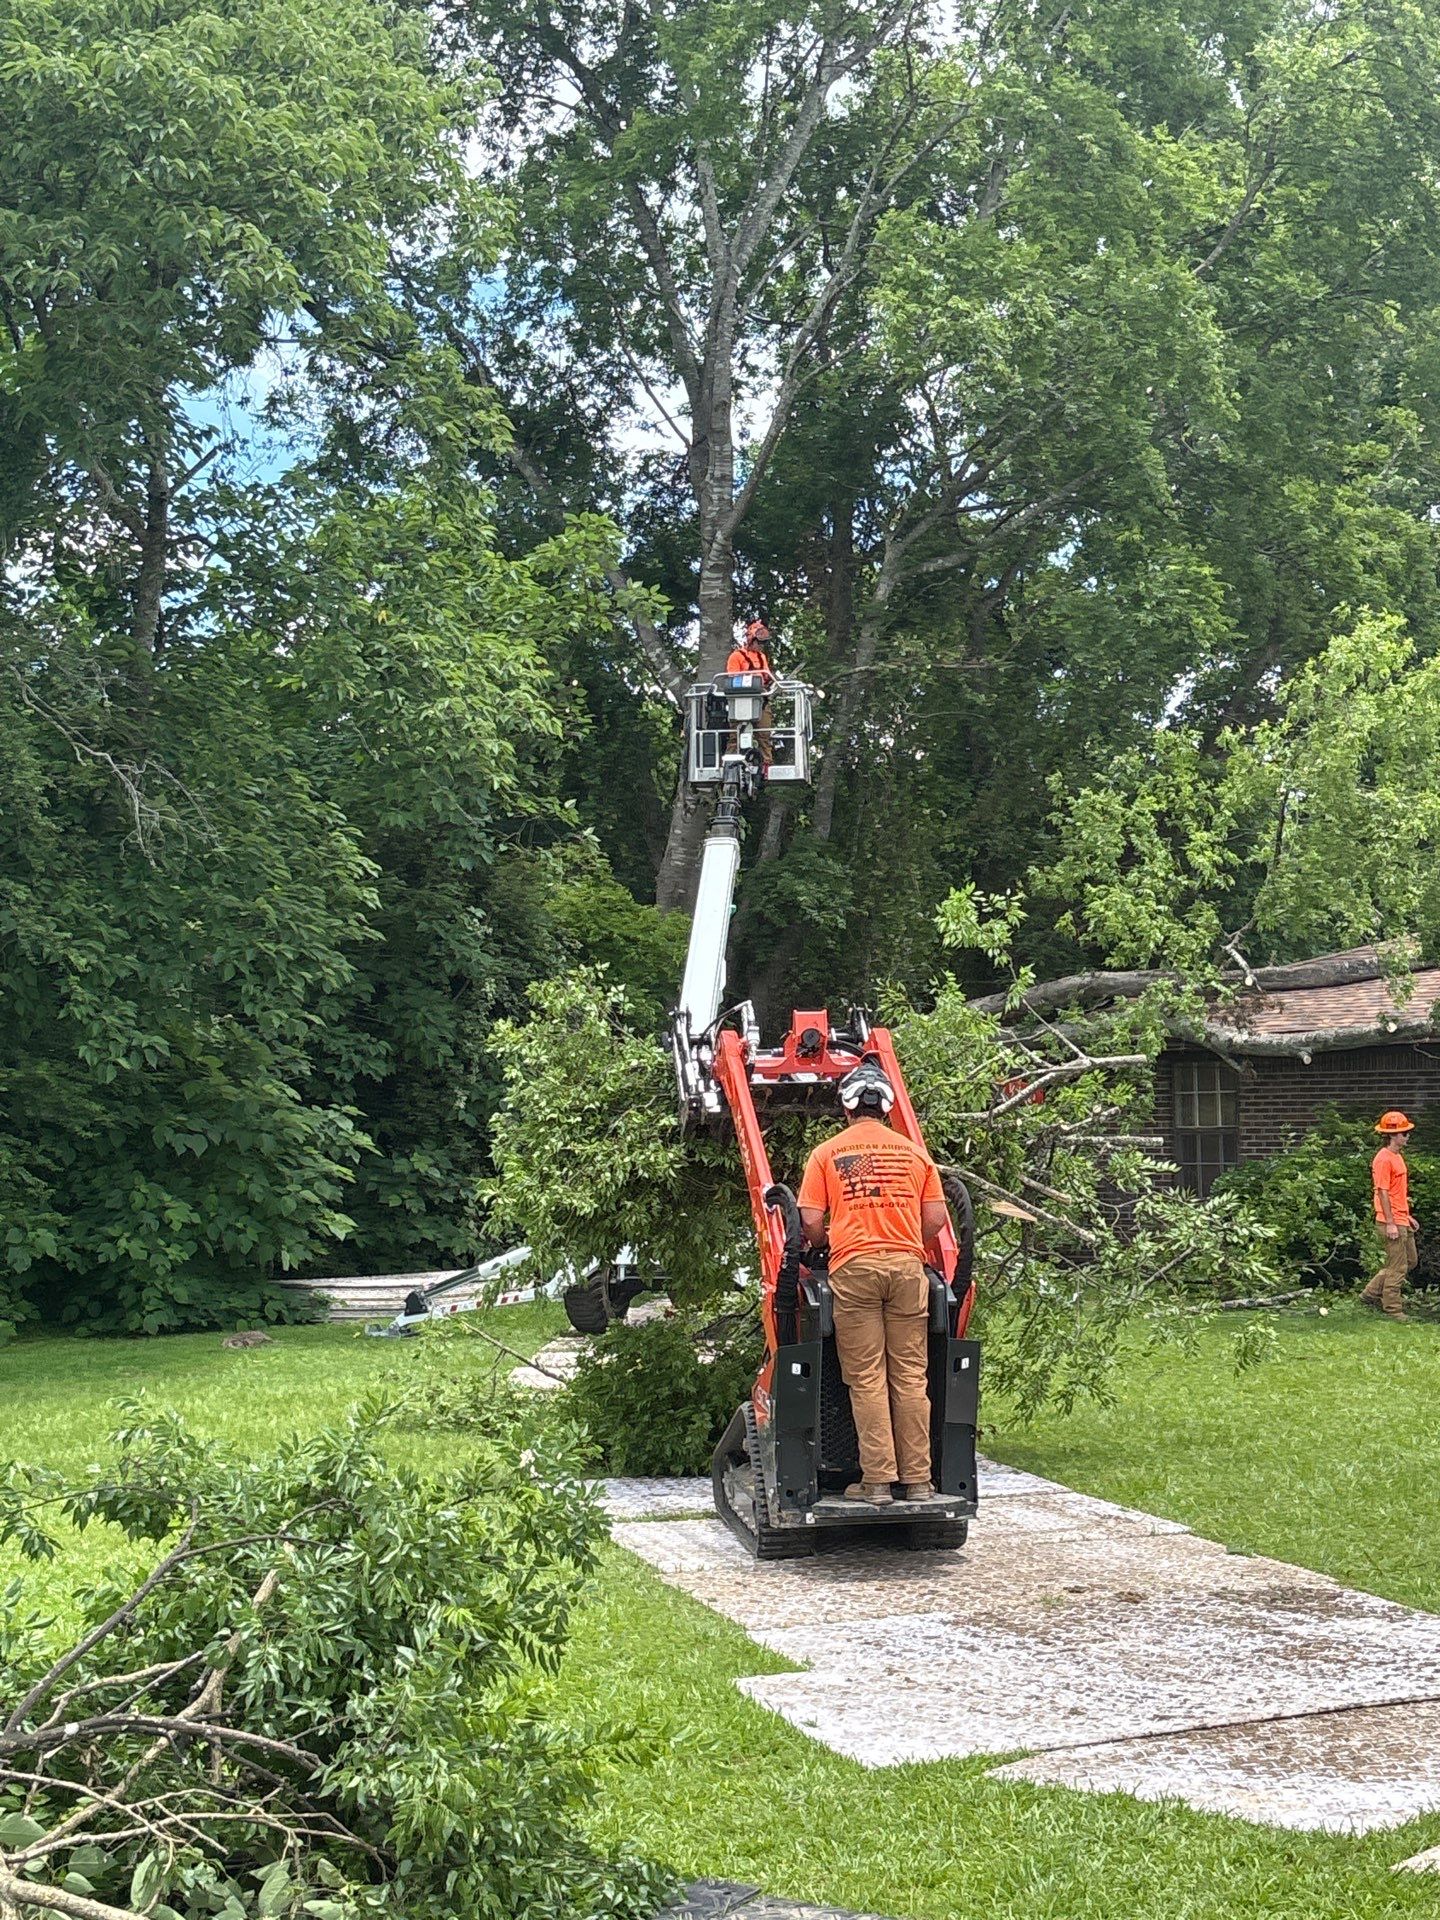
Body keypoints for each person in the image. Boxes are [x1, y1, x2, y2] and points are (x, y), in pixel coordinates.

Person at [797, 1061, 952, 1504]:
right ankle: (919, 1482)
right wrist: (905, 1243)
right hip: (908, 1271)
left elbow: (809, 1219)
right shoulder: (915, 1154)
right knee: (909, 1377)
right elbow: (937, 1218)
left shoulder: (827, 1154)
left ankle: (878, 1482)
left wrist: (829, 1243)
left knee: (867, 1378)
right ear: (886, 1107)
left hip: (855, 1271)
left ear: (847, 1106)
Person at [1360, 1110, 1419, 1322]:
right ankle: (1393, 1310)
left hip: (1401, 1218)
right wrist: (1391, 1223)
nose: (1407, 1136)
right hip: (1390, 1221)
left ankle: (1369, 1294)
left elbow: (1397, 1191)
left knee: (1410, 1261)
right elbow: (1382, 1191)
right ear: (1392, 1136)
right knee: (1398, 1266)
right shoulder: (1383, 1159)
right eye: (1404, 1133)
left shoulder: (1396, 1156)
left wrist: (1407, 1215)